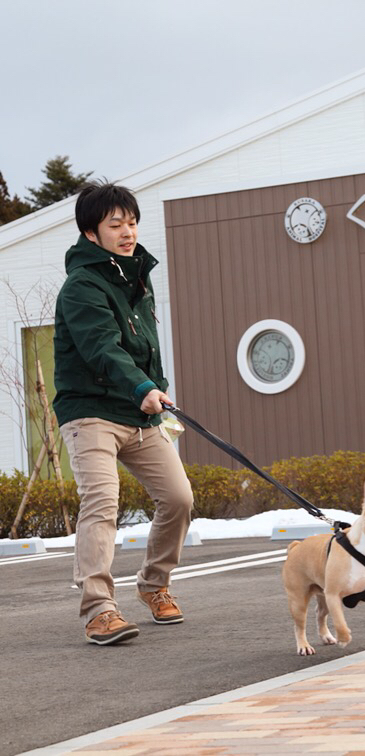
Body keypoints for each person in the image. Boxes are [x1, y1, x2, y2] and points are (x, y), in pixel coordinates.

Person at [53, 181, 194, 645]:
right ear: (91, 233)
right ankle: (98, 611)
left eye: (132, 222)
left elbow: (143, 347)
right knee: (102, 503)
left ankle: (154, 586)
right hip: (91, 410)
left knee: (178, 498)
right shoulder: (81, 287)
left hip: (139, 410)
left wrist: (156, 388)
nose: (128, 232)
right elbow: (101, 348)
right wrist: (141, 387)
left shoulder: (135, 276)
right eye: (116, 224)